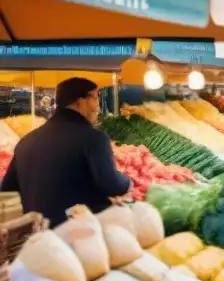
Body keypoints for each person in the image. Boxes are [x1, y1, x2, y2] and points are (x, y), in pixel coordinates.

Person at [0, 77, 131, 226]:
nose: (97, 107)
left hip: (38, 238)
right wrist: (127, 182)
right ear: (81, 102)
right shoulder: (93, 139)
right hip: (81, 237)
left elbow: (7, 189)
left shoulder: (26, 142)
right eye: (95, 98)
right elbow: (112, 185)